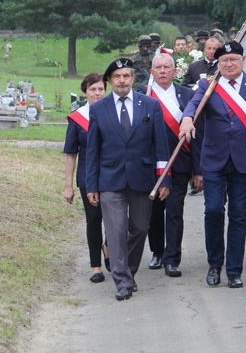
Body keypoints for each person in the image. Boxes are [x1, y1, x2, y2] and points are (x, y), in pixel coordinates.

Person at [179, 41, 246, 288]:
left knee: (238, 216)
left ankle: (234, 271)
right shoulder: (208, 84)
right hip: (213, 160)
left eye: (233, 59)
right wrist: (187, 119)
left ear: (242, 61)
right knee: (212, 210)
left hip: (244, 160)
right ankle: (214, 264)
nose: (229, 64)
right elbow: (193, 104)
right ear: (218, 63)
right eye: (224, 61)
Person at [86, 58, 171, 301]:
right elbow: (93, 150)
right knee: (115, 231)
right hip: (110, 179)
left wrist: (164, 179)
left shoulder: (150, 105)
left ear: (134, 79)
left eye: (126, 76)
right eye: (117, 76)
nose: (122, 80)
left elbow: (161, 145)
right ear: (109, 81)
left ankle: (128, 272)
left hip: (142, 179)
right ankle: (122, 280)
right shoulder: (98, 109)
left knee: (140, 228)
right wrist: (92, 185)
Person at [139, 53, 203, 277]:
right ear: (152, 71)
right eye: (158, 67)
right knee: (154, 211)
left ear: (175, 71)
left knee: (175, 211)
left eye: (167, 67)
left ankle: (172, 258)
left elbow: (197, 135)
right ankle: (157, 251)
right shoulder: (142, 95)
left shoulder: (187, 95)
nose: (163, 71)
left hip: (180, 163)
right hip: (151, 165)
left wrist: (198, 170)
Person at [64, 72, 108, 283]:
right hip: (87, 177)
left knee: (114, 219)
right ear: (85, 92)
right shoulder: (78, 118)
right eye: (93, 89)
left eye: (100, 89)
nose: (97, 93)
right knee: (93, 219)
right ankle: (95, 267)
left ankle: (109, 247)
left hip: (111, 174)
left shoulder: (113, 113)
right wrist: (68, 186)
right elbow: (71, 154)